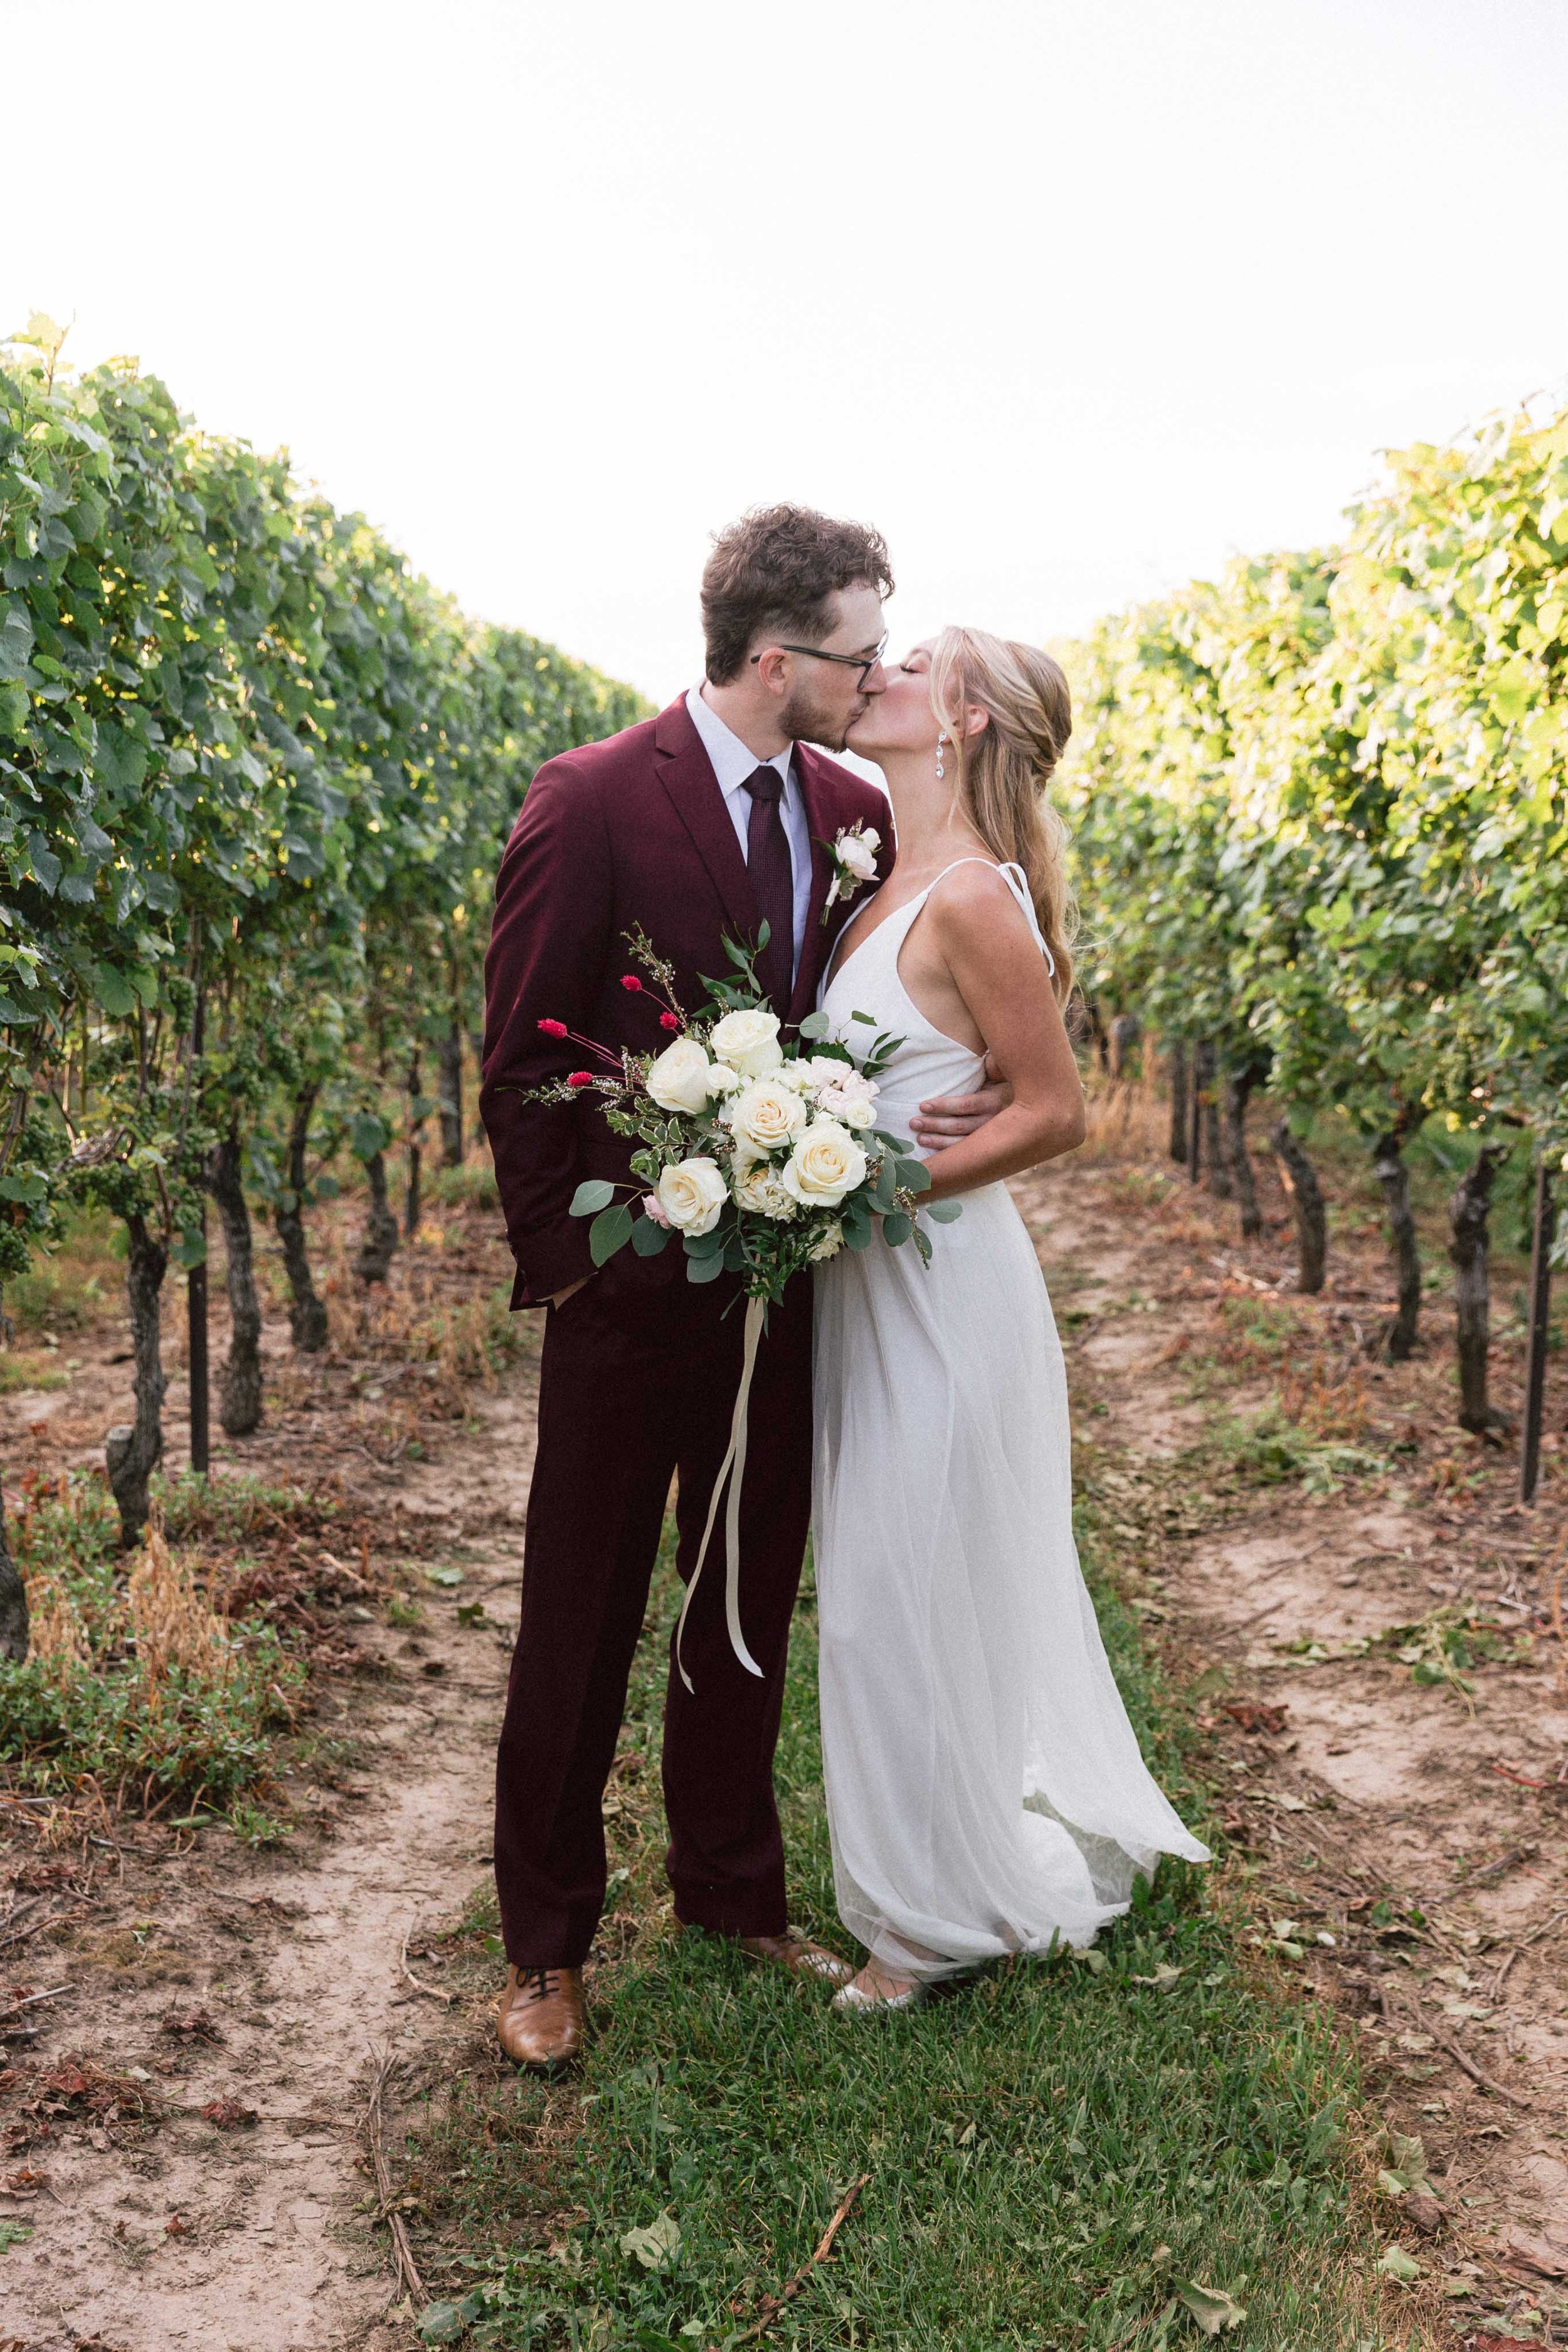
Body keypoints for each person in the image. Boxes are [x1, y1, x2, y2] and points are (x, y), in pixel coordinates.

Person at [479, 509, 1006, 2067]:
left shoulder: (853, 806)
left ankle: (730, 1893)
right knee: (576, 1615)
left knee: (742, 1594)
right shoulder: (588, 800)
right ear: (773, 659)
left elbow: (891, 1002)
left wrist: (932, 1107)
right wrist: (575, 1271)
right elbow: (520, 1063)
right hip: (627, 1291)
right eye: (859, 650)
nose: (877, 673)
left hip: (795, 1288)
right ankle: (545, 1950)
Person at [812, 627, 1209, 2011]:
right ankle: (928, 1863)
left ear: (964, 719)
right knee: (880, 1582)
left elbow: (1056, 1113)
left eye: (912, 661)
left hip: (937, 1279)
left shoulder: (971, 896)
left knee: (897, 1592)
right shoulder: (879, 876)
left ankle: (924, 1922)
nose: (880, 670)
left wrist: (867, 1189)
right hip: (868, 1282)